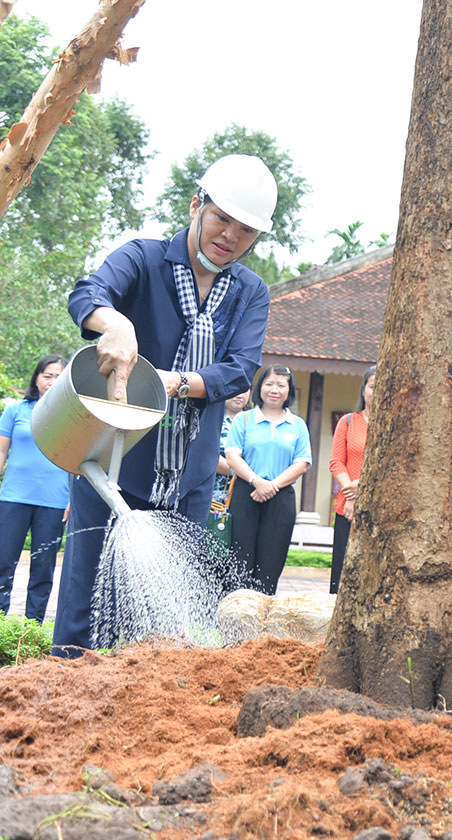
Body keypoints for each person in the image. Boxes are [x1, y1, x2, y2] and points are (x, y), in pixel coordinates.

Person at [56, 153, 276, 653]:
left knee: (157, 621)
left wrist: (169, 383)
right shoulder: (145, 258)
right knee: (84, 605)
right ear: (197, 205)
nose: (230, 236)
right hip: (113, 461)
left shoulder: (250, 292)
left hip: (190, 480)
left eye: (245, 231)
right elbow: (88, 293)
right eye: (221, 218)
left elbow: (240, 369)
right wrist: (116, 324)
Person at [224, 365, 312, 595]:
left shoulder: (298, 425)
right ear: (259, 387)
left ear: (289, 390)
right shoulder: (243, 420)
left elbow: (302, 463)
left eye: (281, 385)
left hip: (281, 496)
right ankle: (235, 622)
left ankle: (262, 624)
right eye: (269, 384)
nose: (275, 390)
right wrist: (256, 481)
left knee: (270, 565)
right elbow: (233, 456)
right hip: (246, 492)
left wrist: (272, 485)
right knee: (240, 562)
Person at [0, 355, 71, 620]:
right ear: (37, 378)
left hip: (54, 503)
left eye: (58, 376)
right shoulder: (15, 411)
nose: (52, 381)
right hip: (13, 498)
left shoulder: (74, 416)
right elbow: (1, 453)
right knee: (3, 563)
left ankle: (33, 628)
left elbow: (80, 460)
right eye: (47, 375)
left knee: (43, 570)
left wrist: (74, 500)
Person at [328, 365, 375, 594]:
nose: (377, 391)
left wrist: (360, 488)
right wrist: (350, 495)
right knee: (342, 572)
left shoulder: (395, 428)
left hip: (377, 509)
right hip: (346, 509)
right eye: (373, 386)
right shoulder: (348, 422)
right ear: (364, 389)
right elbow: (336, 462)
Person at [207, 388, 251, 546]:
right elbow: (207, 454)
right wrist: (244, 472)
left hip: (247, 495)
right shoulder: (212, 420)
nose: (240, 394)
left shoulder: (253, 421)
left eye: (245, 389)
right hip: (214, 497)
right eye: (235, 389)